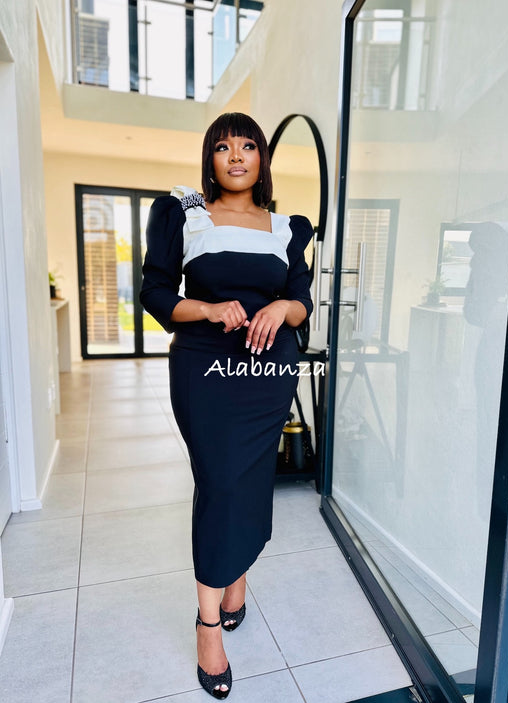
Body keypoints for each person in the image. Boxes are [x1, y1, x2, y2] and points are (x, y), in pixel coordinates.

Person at [140, 112, 314, 699]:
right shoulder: (183, 214)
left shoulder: (287, 228)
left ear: (262, 158)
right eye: (222, 147)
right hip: (205, 369)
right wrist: (211, 309)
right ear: (210, 160)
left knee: (252, 478)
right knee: (219, 483)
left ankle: (237, 572)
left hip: (269, 372)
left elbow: (301, 301)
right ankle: (207, 623)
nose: (235, 156)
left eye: (247, 146)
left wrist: (280, 308)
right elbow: (156, 293)